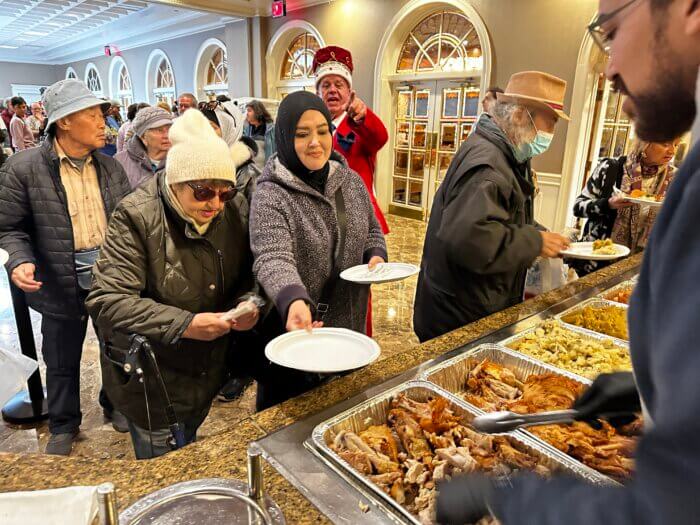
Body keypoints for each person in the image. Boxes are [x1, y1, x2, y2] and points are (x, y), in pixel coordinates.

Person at [436, 0, 700, 522]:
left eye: (614, 31)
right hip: (460, 303)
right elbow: (468, 238)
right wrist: (652, 391)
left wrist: (509, 498)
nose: (610, 66)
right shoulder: (493, 160)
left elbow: (673, 506)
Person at [86, 109, 261, 459]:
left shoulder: (234, 207)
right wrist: (185, 325)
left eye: (224, 193)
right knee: (164, 464)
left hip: (206, 368)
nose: (215, 203)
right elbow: (107, 298)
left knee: (188, 443)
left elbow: (253, 273)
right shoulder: (136, 215)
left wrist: (252, 303)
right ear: (175, 182)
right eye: (202, 193)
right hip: (152, 378)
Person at [0, 79, 132, 456]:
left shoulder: (110, 167)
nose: (102, 121)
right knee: (60, 356)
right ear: (65, 122)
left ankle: (116, 404)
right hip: (58, 278)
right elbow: (9, 227)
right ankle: (63, 422)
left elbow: (126, 221)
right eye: (92, 114)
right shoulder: (23, 168)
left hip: (110, 277)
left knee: (116, 347)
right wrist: (21, 261)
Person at [250, 91, 387, 409]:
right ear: (284, 137)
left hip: (348, 330)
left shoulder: (349, 181)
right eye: (302, 134)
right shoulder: (272, 194)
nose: (316, 142)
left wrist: (376, 255)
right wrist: (293, 298)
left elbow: (371, 230)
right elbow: (273, 255)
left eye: (322, 131)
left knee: (344, 423)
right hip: (301, 335)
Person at [413, 71, 571, 342]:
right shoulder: (489, 165)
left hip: (467, 302)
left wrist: (542, 235)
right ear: (520, 116)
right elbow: (468, 239)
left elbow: (501, 216)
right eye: (551, 122)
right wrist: (534, 242)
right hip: (457, 316)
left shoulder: (506, 154)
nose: (551, 133)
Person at [571, 138, 680, 276]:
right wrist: (608, 204)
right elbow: (578, 207)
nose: (672, 150)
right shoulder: (611, 167)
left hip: (644, 266)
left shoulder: (675, 178)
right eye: (665, 144)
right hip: (599, 262)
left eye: (676, 144)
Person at [313, 46, 390, 236]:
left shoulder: (360, 125)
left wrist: (363, 118)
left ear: (349, 92)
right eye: (326, 85)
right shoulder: (310, 128)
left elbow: (380, 138)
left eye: (339, 85)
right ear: (317, 93)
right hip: (323, 221)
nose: (332, 90)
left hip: (360, 220)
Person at [114, 106, 173, 189]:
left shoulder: (182, 158)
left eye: (170, 129)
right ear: (143, 137)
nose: (167, 135)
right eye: (159, 130)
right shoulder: (120, 161)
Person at [243, 100, 276, 168]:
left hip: (266, 170)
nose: (247, 114)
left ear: (257, 112)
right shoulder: (247, 129)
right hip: (251, 171)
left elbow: (275, 151)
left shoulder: (271, 129)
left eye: (249, 111)